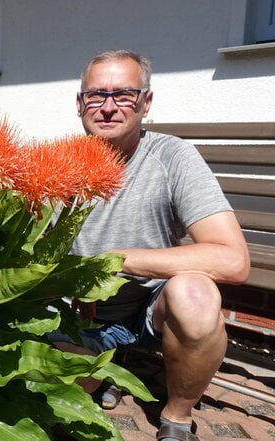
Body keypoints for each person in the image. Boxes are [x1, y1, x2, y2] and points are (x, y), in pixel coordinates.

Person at [51, 50, 250, 441]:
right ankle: (108, 369)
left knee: (195, 293)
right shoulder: (56, 164)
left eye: (124, 94)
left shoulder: (172, 156)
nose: (108, 107)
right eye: (96, 95)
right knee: (65, 401)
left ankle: (176, 417)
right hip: (79, 318)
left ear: (146, 102)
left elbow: (233, 260)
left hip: (150, 311)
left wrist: (113, 261)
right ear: (79, 104)